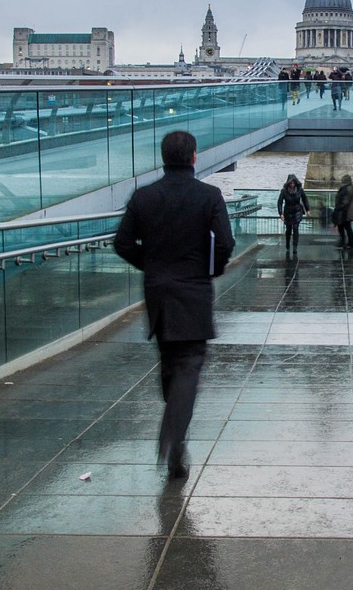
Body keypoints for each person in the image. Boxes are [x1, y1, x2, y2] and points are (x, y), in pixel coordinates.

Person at [114, 131, 235, 480]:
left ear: (164, 157)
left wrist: (152, 265)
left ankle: (175, 437)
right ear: (194, 157)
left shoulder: (143, 196)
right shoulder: (209, 196)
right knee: (188, 368)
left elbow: (122, 243)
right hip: (194, 294)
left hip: (159, 294)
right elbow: (226, 243)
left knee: (170, 366)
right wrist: (210, 270)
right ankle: (173, 440)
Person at [276, 173, 309, 254]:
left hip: (297, 210)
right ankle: (287, 243)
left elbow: (304, 199)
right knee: (288, 229)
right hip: (288, 211)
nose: (292, 185)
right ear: (288, 183)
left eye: (293, 183)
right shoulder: (284, 191)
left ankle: (295, 246)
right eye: (290, 183)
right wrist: (280, 213)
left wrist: (307, 210)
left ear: (295, 183)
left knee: (295, 228)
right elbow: (280, 202)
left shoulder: (300, 190)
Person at [332, 173, 353, 249]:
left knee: (345, 227)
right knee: (345, 227)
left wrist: (338, 208)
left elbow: (345, 202)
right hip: (347, 211)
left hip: (345, 212)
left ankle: (348, 243)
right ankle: (347, 243)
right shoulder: (351, 188)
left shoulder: (347, 189)